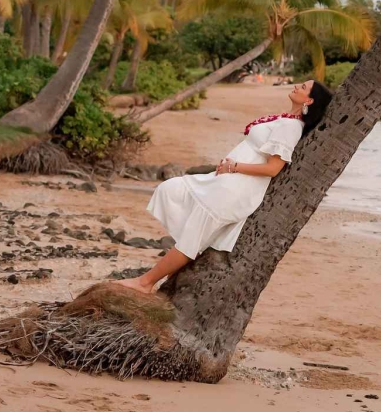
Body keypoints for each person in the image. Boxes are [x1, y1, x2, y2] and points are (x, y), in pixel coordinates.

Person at [115, 79, 332, 293]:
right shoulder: (285, 120)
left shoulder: (291, 126)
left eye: (303, 87)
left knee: (194, 235)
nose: (296, 86)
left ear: (310, 101)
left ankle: (145, 283)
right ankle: (169, 276)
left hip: (237, 188)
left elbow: (273, 168)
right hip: (227, 182)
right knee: (172, 191)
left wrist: (235, 166)